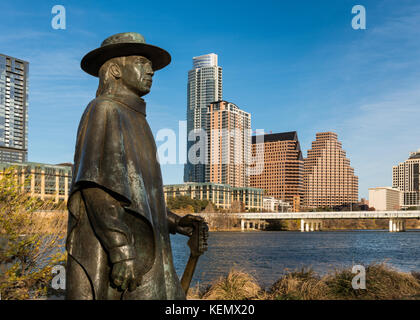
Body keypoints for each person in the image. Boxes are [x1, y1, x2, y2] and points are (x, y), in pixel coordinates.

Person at [65, 32, 207, 300]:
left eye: (150, 64)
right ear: (116, 69)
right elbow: (96, 188)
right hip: (131, 264)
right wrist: (121, 252)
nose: (150, 70)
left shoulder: (139, 121)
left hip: (151, 264)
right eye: (141, 62)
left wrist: (177, 222)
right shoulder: (103, 109)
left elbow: (142, 201)